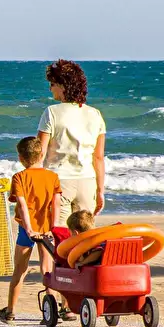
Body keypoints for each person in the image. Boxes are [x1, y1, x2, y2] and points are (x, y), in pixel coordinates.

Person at [0, 136, 72, 323]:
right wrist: (53, 228)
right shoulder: (52, 177)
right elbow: (56, 204)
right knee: (47, 270)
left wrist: (29, 229)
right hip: (46, 228)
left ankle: (11, 311)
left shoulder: (19, 177)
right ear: (42, 154)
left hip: (26, 230)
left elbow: (22, 205)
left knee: (20, 270)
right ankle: (54, 309)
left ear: (20, 158)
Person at [37, 59, 107, 226]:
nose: (50, 88)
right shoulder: (95, 114)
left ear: (62, 85)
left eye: (53, 84)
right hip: (87, 181)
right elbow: (98, 158)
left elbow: (40, 153)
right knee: (83, 240)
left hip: (58, 181)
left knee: (59, 237)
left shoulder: (51, 112)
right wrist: (100, 191)